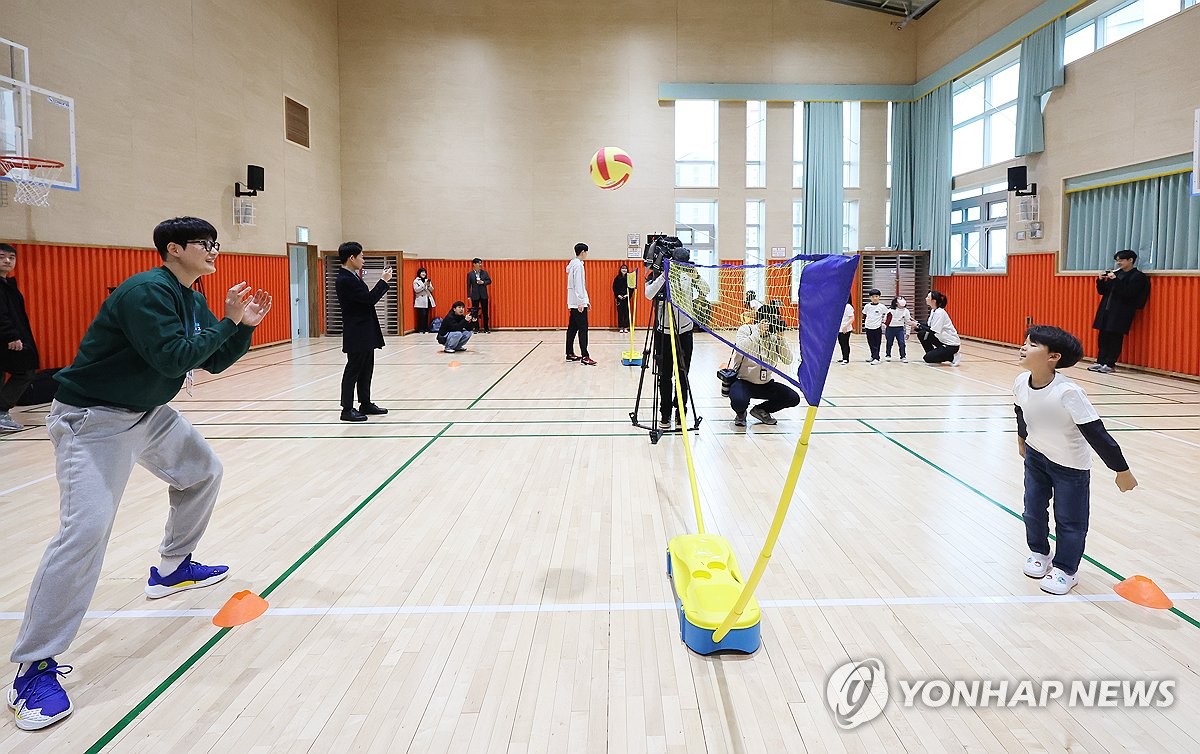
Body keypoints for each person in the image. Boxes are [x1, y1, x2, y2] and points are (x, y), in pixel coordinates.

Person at [7, 217, 272, 731]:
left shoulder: (190, 297)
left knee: (202, 472)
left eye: (216, 244)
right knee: (84, 532)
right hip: (95, 421)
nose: (215, 251)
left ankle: (172, 569)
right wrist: (228, 323)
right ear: (174, 249)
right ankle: (33, 667)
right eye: (206, 244)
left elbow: (212, 363)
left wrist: (242, 326)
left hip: (148, 413)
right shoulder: (146, 292)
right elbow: (172, 357)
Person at [1015, 325, 1137, 595]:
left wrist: (1121, 469)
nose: (1023, 347)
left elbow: (1095, 432)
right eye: (1025, 342)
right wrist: (1022, 439)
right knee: (1032, 510)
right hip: (1036, 457)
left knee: (1070, 520)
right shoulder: (1020, 382)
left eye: (1032, 344)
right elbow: (1021, 411)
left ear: (1053, 357)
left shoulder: (1069, 392)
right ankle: (1039, 553)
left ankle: (1066, 570)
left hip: (1070, 467)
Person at [645, 252, 708, 426]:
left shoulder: (690, 274)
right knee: (664, 376)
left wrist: (695, 275)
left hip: (685, 333)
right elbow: (648, 294)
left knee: (682, 375)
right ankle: (664, 413)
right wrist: (664, 275)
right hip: (663, 333)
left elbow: (706, 290)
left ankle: (681, 412)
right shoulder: (658, 273)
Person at [335, 241, 392, 422]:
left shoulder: (353, 276)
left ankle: (365, 403)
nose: (363, 260)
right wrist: (383, 281)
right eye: (361, 256)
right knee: (353, 369)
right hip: (356, 331)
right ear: (352, 257)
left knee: (366, 369)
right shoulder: (345, 279)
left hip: (364, 330)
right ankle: (346, 409)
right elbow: (369, 300)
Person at [729, 307, 801, 427]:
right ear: (761, 320)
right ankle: (741, 413)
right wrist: (758, 333)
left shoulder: (774, 336)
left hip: (766, 383)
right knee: (739, 401)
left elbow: (788, 360)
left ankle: (761, 410)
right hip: (744, 382)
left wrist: (780, 339)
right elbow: (741, 348)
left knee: (793, 398)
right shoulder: (746, 330)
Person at [1090, 249, 1150, 374]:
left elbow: (1128, 293)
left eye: (1121, 260)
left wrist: (1115, 280)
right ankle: (1100, 361)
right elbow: (1103, 291)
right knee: (1103, 337)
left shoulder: (1138, 276)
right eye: (1117, 260)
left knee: (1115, 337)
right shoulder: (1118, 273)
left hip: (1121, 312)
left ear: (1130, 260)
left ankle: (1110, 364)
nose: (1119, 263)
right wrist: (1100, 280)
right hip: (1107, 309)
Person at [0, 243, 38, 432]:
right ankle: (1, 412)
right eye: (1, 257)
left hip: (10, 337)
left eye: (11, 257)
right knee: (25, 371)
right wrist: (11, 335)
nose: (7, 260)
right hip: (7, 339)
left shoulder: (8, 285)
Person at [566, 243, 595, 365]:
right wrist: (581, 302)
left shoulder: (573, 264)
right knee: (583, 329)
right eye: (586, 252)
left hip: (573, 302)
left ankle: (569, 353)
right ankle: (585, 356)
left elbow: (579, 286)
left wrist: (585, 300)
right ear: (582, 252)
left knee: (572, 328)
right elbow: (578, 285)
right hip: (577, 303)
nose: (586, 255)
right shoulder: (578, 266)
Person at [916, 290, 961, 366]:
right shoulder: (933, 311)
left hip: (951, 345)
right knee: (922, 334)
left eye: (928, 297)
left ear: (934, 301)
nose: (926, 298)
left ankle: (952, 357)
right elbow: (928, 326)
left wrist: (919, 325)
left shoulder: (940, 313)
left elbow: (933, 330)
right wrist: (917, 323)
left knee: (927, 358)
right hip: (941, 340)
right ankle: (934, 356)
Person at [467, 258, 492, 333]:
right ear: (474, 264)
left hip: (483, 295)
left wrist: (483, 282)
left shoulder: (484, 273)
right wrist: (468, 295)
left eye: (481, 263)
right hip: (475, 295)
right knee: (475, 312)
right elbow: (468, 286)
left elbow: (489, 281)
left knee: (485, 312)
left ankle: (486, 328)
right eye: (478, 263)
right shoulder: (470, 274)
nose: (480, 265)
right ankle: (476, 328)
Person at [862, 288, 886, 364]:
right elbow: (864, 314)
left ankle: (877, 358)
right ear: (870, 298)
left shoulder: (882, 307)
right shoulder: (867, 306)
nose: (874, 298)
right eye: (872, 297)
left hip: (877, 328)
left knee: (877, 343)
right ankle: (873, 356)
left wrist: (884, 323)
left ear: (879, 297)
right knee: (871, 342)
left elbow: (888, 314)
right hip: (868, 327)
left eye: (876, 296)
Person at [884, 296, 910, 363]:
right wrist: (885, 326)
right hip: (890, 329)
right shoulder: (890, 310)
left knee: (902, 343)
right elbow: (885, 319)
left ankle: (903, 356)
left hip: (900, 329)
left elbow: (908, 322)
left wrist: (908, 332)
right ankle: (888, 355)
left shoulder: (906, 311)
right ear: (896, 303)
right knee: (889, 342)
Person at [412, 267, 436, 333]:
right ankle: (421, 329)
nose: (423, 274)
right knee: (422, 315)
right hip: (421, 300)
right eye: (422, 272)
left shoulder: (427, 280)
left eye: (424, 272)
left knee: (426, 315)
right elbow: (416, 290)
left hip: (427, 299)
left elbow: (432, 290)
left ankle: (426, 328)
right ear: (419, 273)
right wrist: (424, 285)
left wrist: (428, 285)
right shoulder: (416, 281)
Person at [613, 263, 632, 333]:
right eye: (623, 268)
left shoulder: (629, 278)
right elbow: (614, 288)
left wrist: (628, 295)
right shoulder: (617, 278)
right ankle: (621, 327)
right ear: (620, 270)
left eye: (625, 268)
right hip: (619, 298)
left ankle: (626, 327)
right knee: (620, 313)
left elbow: (631, 288)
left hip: (626, 298)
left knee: (626, 313)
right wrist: (618, 295)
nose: (624, 270)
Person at [835, 296, 853, 364]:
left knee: (845, 343)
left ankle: (846, 358)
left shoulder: (848, 306)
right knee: (841, 343)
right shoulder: (838, 305)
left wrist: (846, 326)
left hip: (846, 329)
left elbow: (852, 318)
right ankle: (843, 357)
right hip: (839, 329)